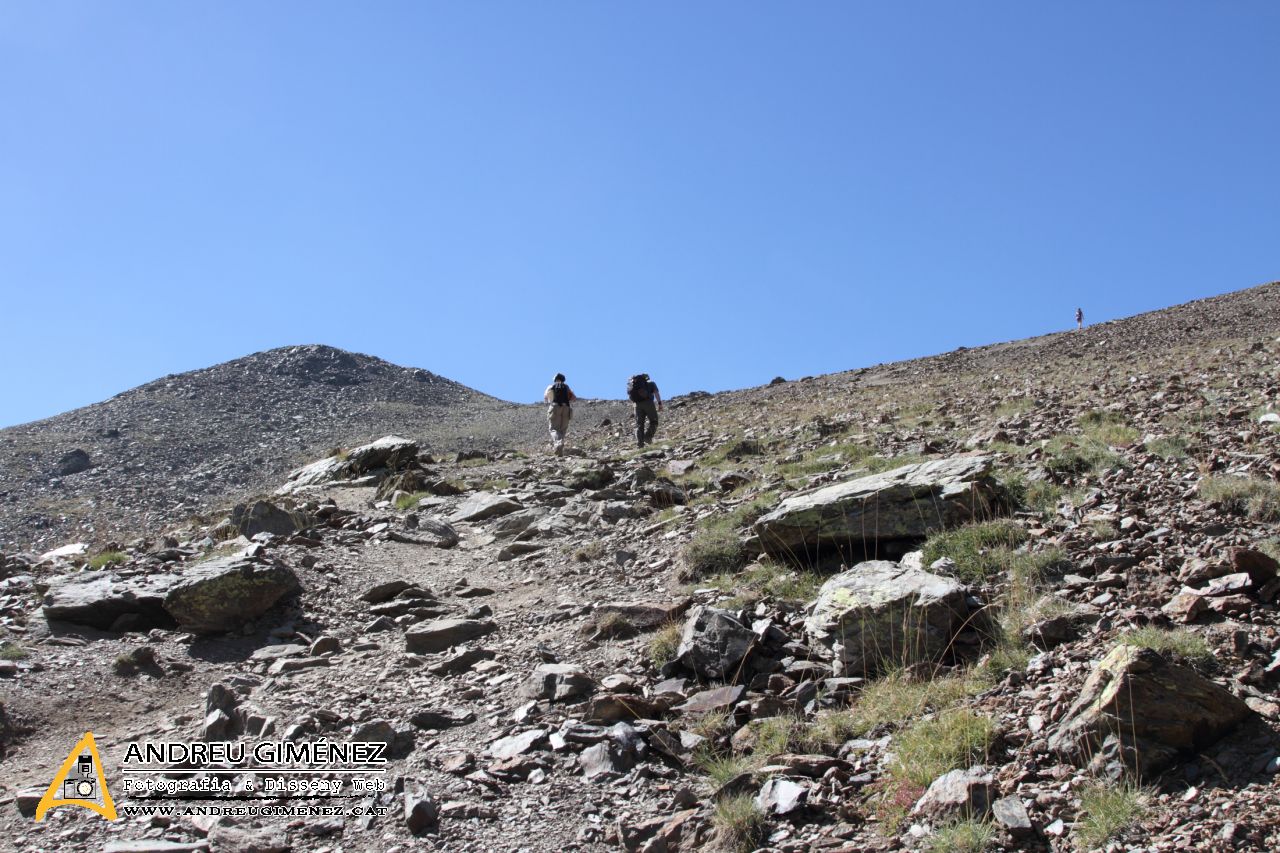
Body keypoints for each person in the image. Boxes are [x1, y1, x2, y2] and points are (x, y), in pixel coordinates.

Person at [543, 373, 577, 456]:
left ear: (555, 380)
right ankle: (559, 451)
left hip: (555, 407)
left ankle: (558, 443)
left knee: (554, 429)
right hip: (566, 409)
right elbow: (574, 398)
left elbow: (546, 397)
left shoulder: (551, 386)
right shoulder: (566, 387)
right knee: (562, 430)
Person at [627, 373, 662, 448]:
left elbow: (630, 397)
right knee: (654, 421)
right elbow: (656, 393)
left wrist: (634, 406)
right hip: (648, 403)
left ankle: (640, 444)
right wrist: (659, 403)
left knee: (639, 425)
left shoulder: (633, 386)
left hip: (636, 405)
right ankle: (648, 437)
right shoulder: (651, 383)